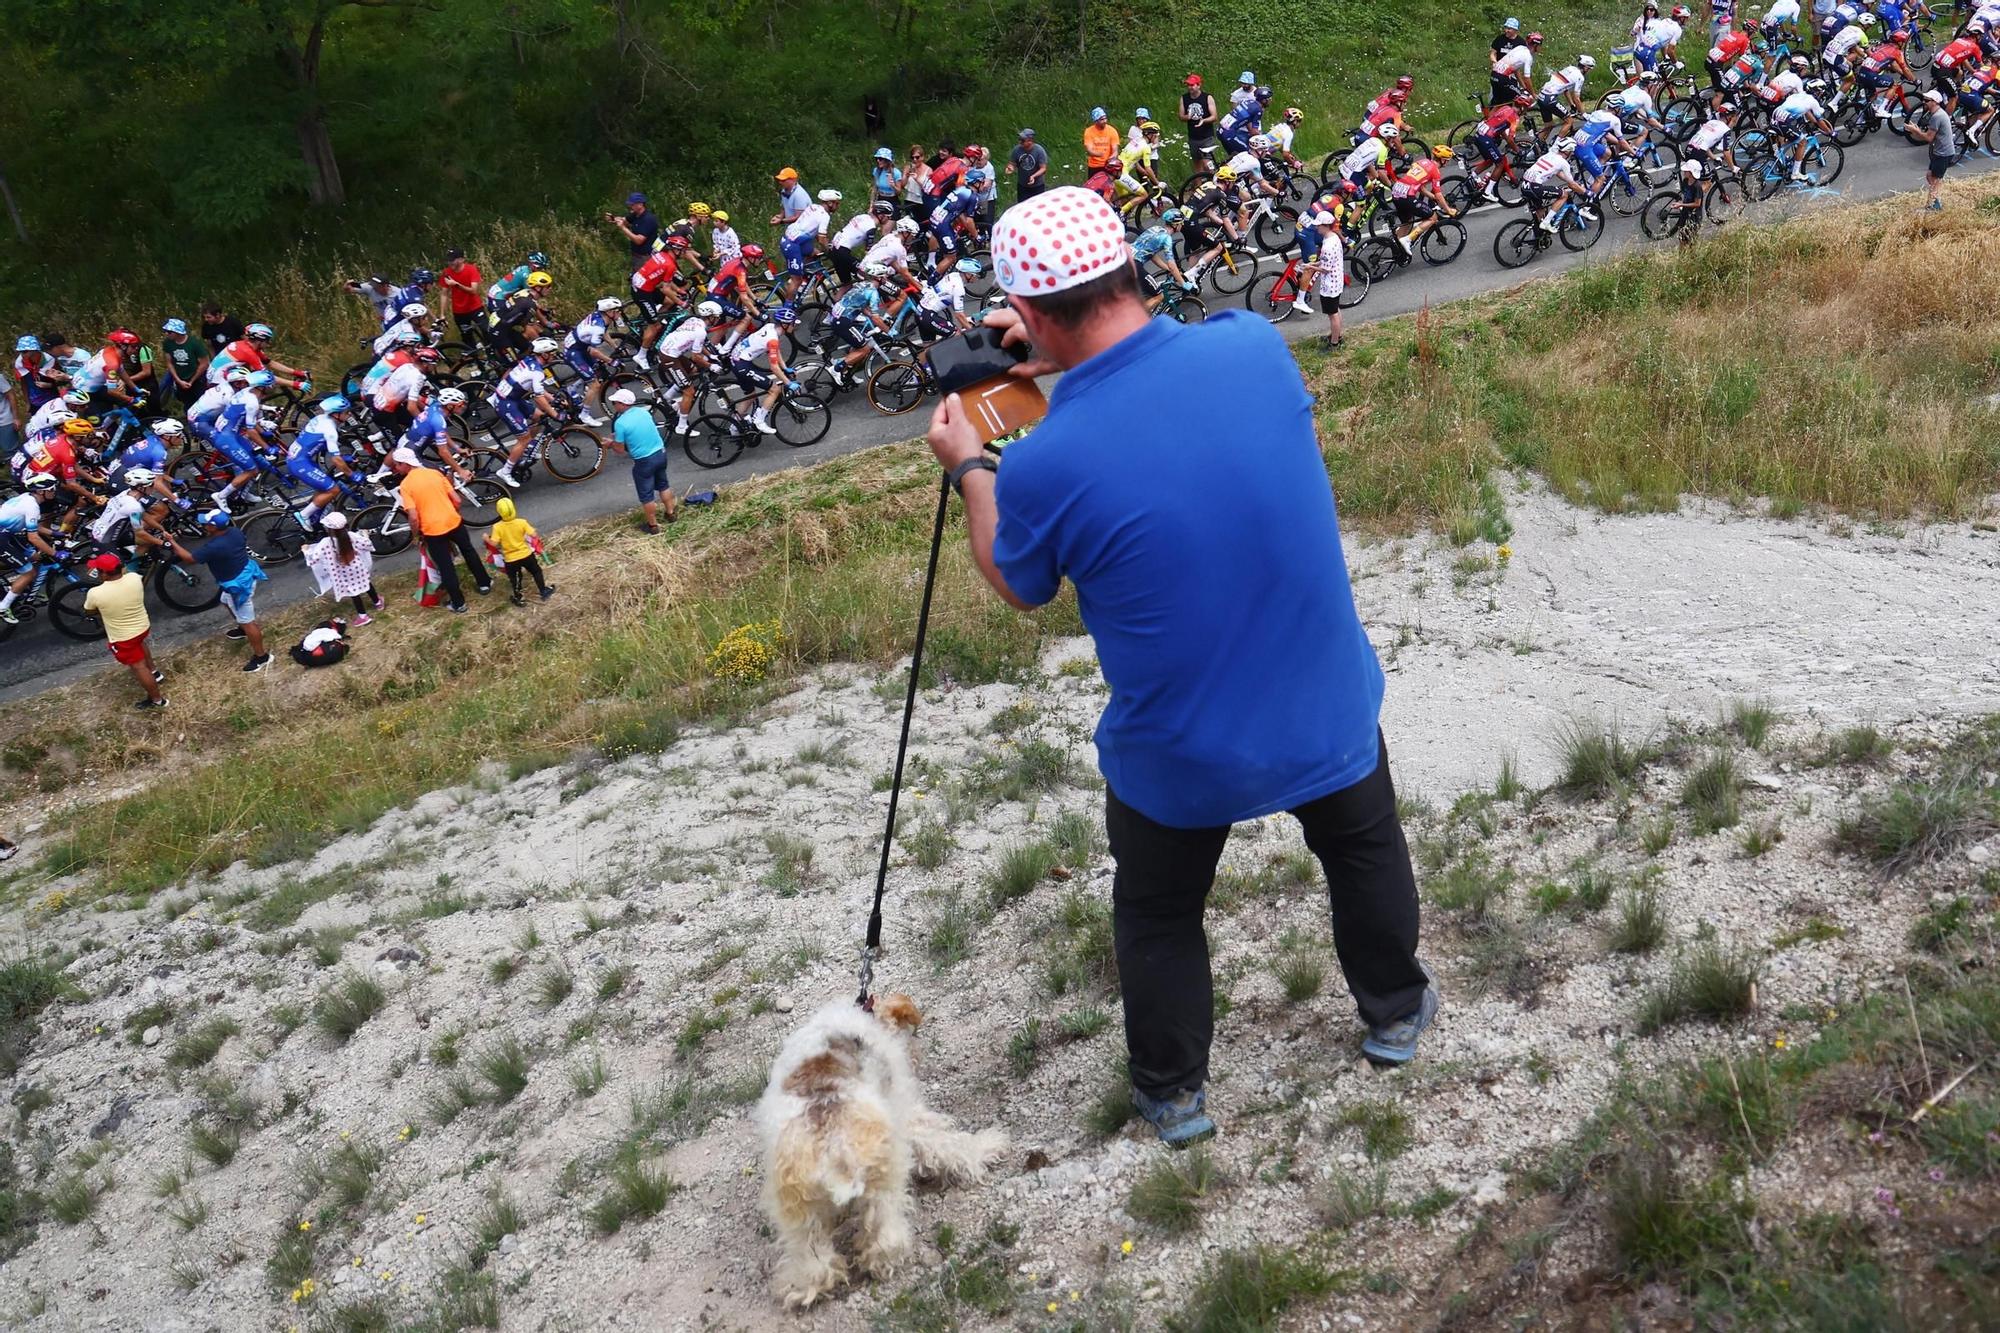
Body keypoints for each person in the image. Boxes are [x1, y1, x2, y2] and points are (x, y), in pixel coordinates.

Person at [923, 187, 1432, 1147]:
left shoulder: (1044, 461)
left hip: (1183, 755)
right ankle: (1395, 1012)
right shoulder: (1253, 346)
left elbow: (1018, 582)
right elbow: (1176, 401)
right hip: (1324, 706)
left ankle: (1172, 1093)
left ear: (1025, 319)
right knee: (1363, 848)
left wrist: (970, 466)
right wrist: (1067, 356)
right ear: (1128, 265)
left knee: (1158, 912)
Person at [166, 510, 271, 670]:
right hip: (244, 573)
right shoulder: (234, 532)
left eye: (206, 523)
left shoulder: (214, 546)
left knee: (248, 621)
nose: (203, 525)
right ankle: (242, 629)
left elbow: (189, 559)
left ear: (213, 527)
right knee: (224, 600)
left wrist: (172, 542)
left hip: (239, 587)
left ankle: (262, 656)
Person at [391, 446, 491, 612]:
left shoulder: (406, 486)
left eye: (397, 465)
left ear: (405, 464)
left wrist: (416, 535)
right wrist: (452, 513)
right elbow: (457, 500)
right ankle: (484, 583)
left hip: (432, 530)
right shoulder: (434, 473)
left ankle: (459, 603)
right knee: (469, 551)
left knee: (445, 566)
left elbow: (414, 517)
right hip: (454, 521)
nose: (396, 468)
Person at [84, 553, 167, 708]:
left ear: (103, 574)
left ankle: (157, 700)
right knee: (140, 643)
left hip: (124, 637)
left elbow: (89, 611)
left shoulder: (95, 593)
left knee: (138, 666)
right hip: (142, 626)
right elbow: (126, 573)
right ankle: (155, 672)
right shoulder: (135, 578)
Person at [608, 386, 677, 532]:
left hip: (644, 461)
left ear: (622, 404)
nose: (614, 405)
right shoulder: (643, 412)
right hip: (660, 453)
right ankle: (670, 513)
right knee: (663, 485)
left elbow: (619, 450)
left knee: (646, 495)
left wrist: (610, 444)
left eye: (615, 402)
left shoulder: (620, 423)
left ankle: (652, 525)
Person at [303, 510, 383, 624]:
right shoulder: (350, 535)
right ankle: (378, 602)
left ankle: (363, 616)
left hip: (344, 572)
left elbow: (314, 557)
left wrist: (306, 550)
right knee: (366, 583)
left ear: (328, 529)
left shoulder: (326, 542)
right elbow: (366, 544)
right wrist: (365, 535)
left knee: (354, 593)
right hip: (357, 567)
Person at [488, 496, 555, 604]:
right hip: (526, 555)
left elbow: (494, 544)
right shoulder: (522, 522)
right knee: (536, 571)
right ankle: (543, 590)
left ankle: (518, 596)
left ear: (499, 512)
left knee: (515, 578)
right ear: (513, 509)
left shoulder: (497, 527)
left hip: (510, 559)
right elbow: (533, 534)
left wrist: (487, 538)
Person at [1907, 88, 1957, 206]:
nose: (1924, 102)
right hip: (1939, 152)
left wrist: (1916, 131)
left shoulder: (1937, 117)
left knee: (1934, 179)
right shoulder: (1937, 114)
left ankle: (1935, 205)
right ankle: (1936, 201)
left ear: (1934, 101)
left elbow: (1929, 138)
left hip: (1943, 153)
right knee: (1931, 176)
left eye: (1927, 100)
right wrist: (1918, 131)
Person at [440, 248, 486, 348]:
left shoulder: (471, 269)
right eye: (448, 260)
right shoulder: (446, 273)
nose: (450, 262)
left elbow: (473, 290)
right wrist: (442, 314)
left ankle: (494, 353)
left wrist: (456, 284)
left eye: (453, 260)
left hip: (475, 307)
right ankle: (475, 358)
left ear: (461, 260)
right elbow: (444, 293)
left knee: (486, 330)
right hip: (459, 311)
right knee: (466, 336)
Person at [160, 319, 209, 413]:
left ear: (178, 332)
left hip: (197, 378)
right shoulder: (167, 343)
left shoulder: (195, 344)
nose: (166, 334)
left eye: (169, 332)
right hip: (180, 378)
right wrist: (178, 380)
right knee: (186, 402)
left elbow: (204, 363)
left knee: (201, 402)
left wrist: (191, 381)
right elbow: (169, 362)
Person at [609, 191, 660, 268]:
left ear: (640, 204)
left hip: (645, 257)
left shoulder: (648, 219)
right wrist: (613, 218)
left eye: (633, 204)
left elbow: (639, 240)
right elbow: (625, 220)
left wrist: (623, 228)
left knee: (641, 279)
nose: (630, 206)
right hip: (636, 255)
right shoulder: (636, 215)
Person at [1180, 75, 1221, 165]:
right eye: (1188, 85)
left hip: (1206, 136)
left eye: (1192, 85)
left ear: (1199, 85)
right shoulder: (1184, 98)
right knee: (1197, 164)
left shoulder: (1207, 97)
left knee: (1208, 164)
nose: (1190, 87)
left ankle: (1213, 177)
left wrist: (1204, 120)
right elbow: (1181, 116)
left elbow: (1214, 116)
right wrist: (1188, 117)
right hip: (1193, 137)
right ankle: (1199, 179)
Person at [1083, 107, 1121, 197]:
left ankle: (1112, 206)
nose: (1104, 121)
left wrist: (1113, 155)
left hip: (1108, 166)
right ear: (1096, 121)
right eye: (1101, 119)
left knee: (1109, 189)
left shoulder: (1112, 130)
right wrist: (1099, 154)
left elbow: (1115, 148)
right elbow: (1089, 149)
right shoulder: (1089, 131)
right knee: (1093, 189)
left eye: (1105, 118)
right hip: (1094, 166)